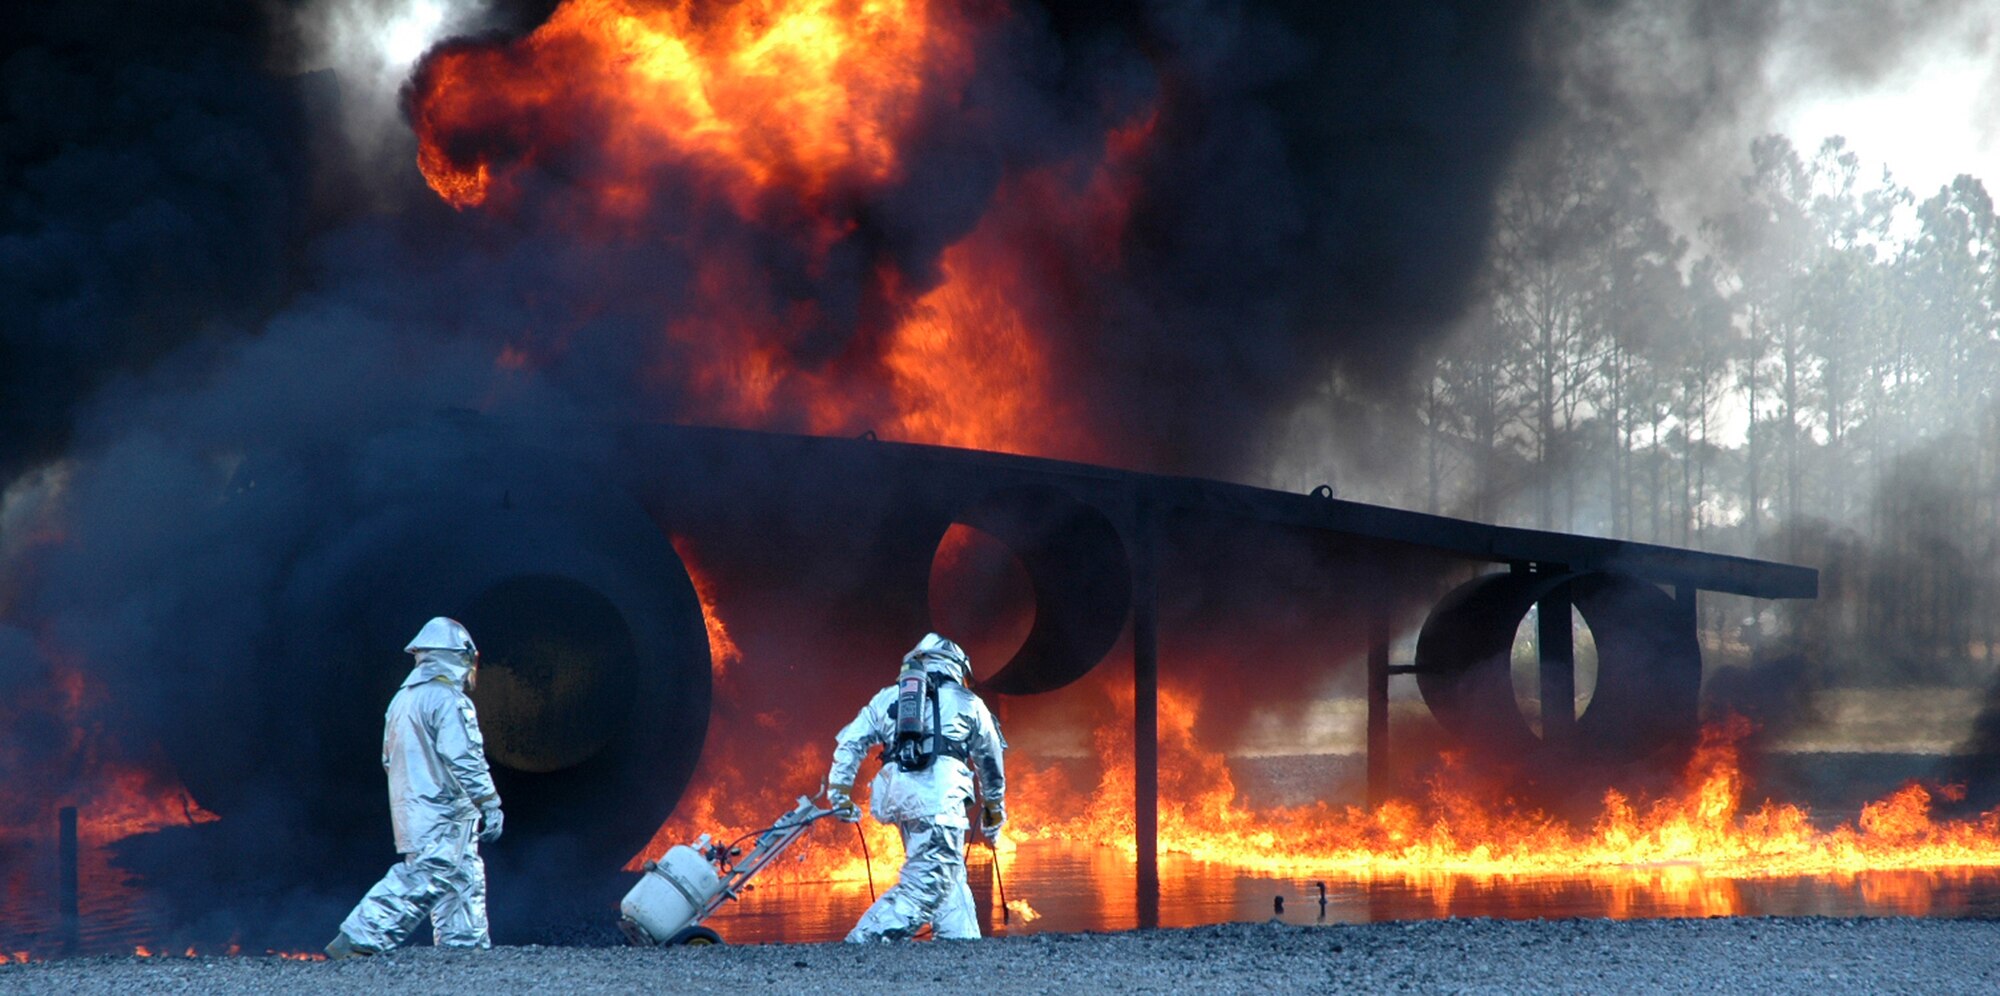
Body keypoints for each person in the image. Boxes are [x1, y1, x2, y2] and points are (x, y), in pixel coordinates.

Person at [326, 617, 504, 958]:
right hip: (445, 807)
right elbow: (464, 757)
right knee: (427, 873)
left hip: (415, 804)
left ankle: (465, 950)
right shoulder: (450, 701)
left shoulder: (402, 701)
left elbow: (388, 758)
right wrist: (489, 801)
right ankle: (361, 936)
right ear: (458, 657)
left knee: (462, 877)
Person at [826, 632, 1006, 942]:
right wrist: (994, 807)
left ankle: (962, 945)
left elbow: (851, 742)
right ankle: (861, 942)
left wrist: (839, 790)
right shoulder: (967, 702)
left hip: (898, 798)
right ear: (957, 668)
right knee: (928, 883)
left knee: (947, 875)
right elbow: (990, 760)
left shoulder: (887, 698)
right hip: (939, 799)